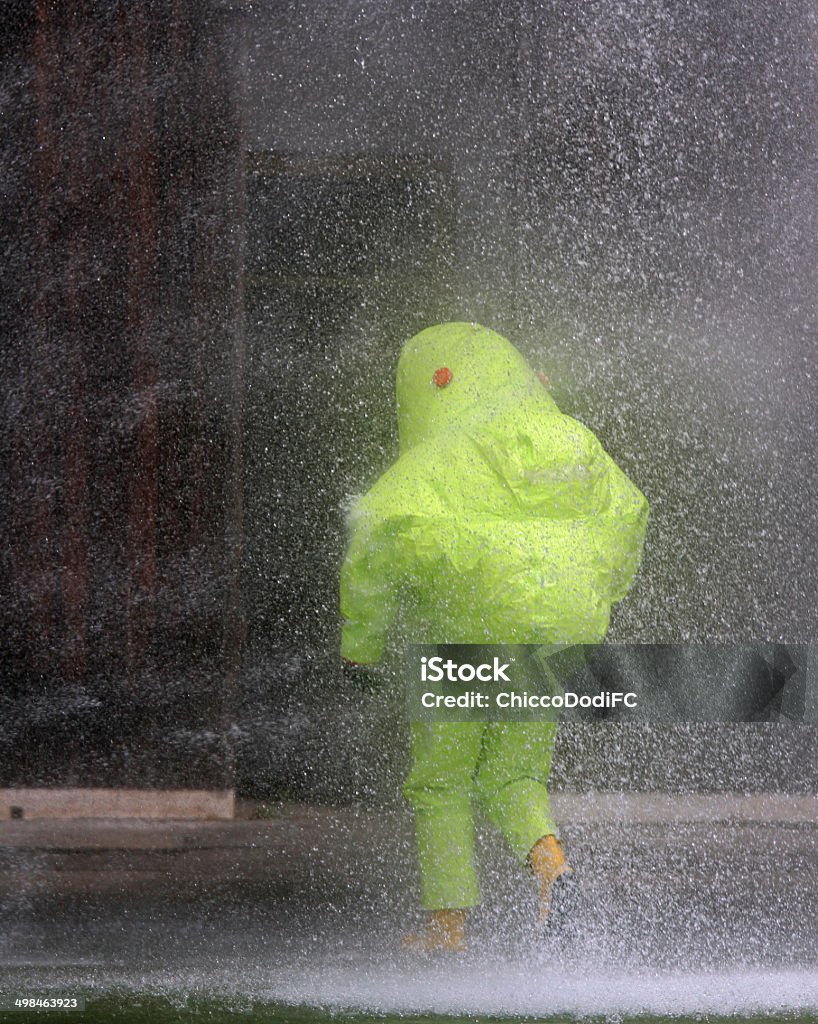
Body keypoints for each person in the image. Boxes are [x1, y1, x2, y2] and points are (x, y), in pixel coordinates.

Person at [340, 322, 649, 951]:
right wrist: (594, 595)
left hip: (462, 637)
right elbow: (628, 515)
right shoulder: (571, 439)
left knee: (442, 779)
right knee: (514, 777)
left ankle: (447, 925)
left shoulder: (438, 455)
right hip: (554, 635)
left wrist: (362, 642)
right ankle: (550, 864)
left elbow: (372, 538)